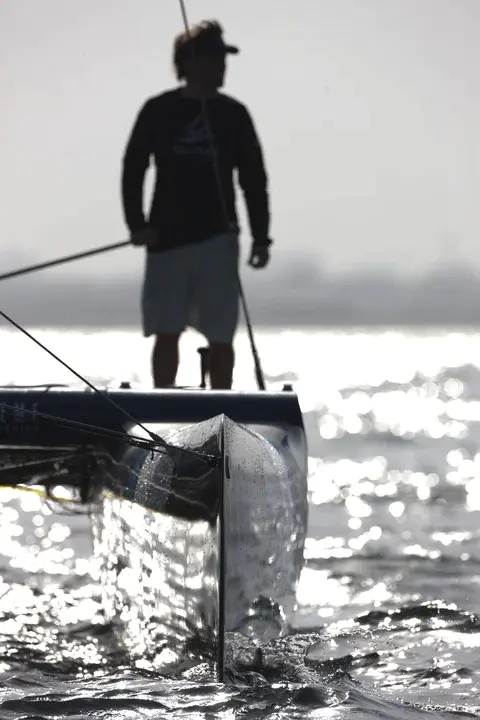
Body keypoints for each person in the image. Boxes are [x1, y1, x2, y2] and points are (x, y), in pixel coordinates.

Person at [121, 19, 272, 390]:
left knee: (221, 336)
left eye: (223, 59)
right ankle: (162, 404)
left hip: (218, 239)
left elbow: (253, 178)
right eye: (213, 58)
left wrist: (261, 237)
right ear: (188, 62)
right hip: (166, 240)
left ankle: (220, 406)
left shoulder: (234, 114)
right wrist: (136, 224)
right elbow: (134, 167)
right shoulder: (158, 110)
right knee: (166, 331)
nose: (222, 66)